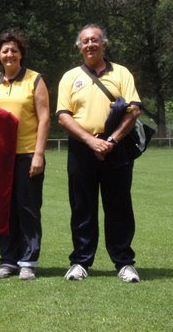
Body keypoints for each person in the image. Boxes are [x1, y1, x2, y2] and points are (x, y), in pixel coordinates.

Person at [56, 24, 142, 282]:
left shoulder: (122, 73)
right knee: (82, 207)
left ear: (104, 44)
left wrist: (112, 140)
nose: (90, 44)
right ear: (79, 47)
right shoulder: (70, 76)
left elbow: (134, 109)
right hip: (82, 149)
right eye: (85, 41)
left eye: (95, 40)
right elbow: (63, 115)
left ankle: (124, 262)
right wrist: (91, 142)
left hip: (117, 148)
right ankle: (81, 262)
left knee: (119, 207)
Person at [0, 31, 50, 280]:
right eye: (5, 51)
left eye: (14, 50)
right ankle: (8, 260)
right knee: (4, 210)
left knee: (27, 209)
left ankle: (28, 261)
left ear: (21, 54)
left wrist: (39, 155)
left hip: (27, 153)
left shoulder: (35, 80)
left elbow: (44, 118)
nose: (9, 54)